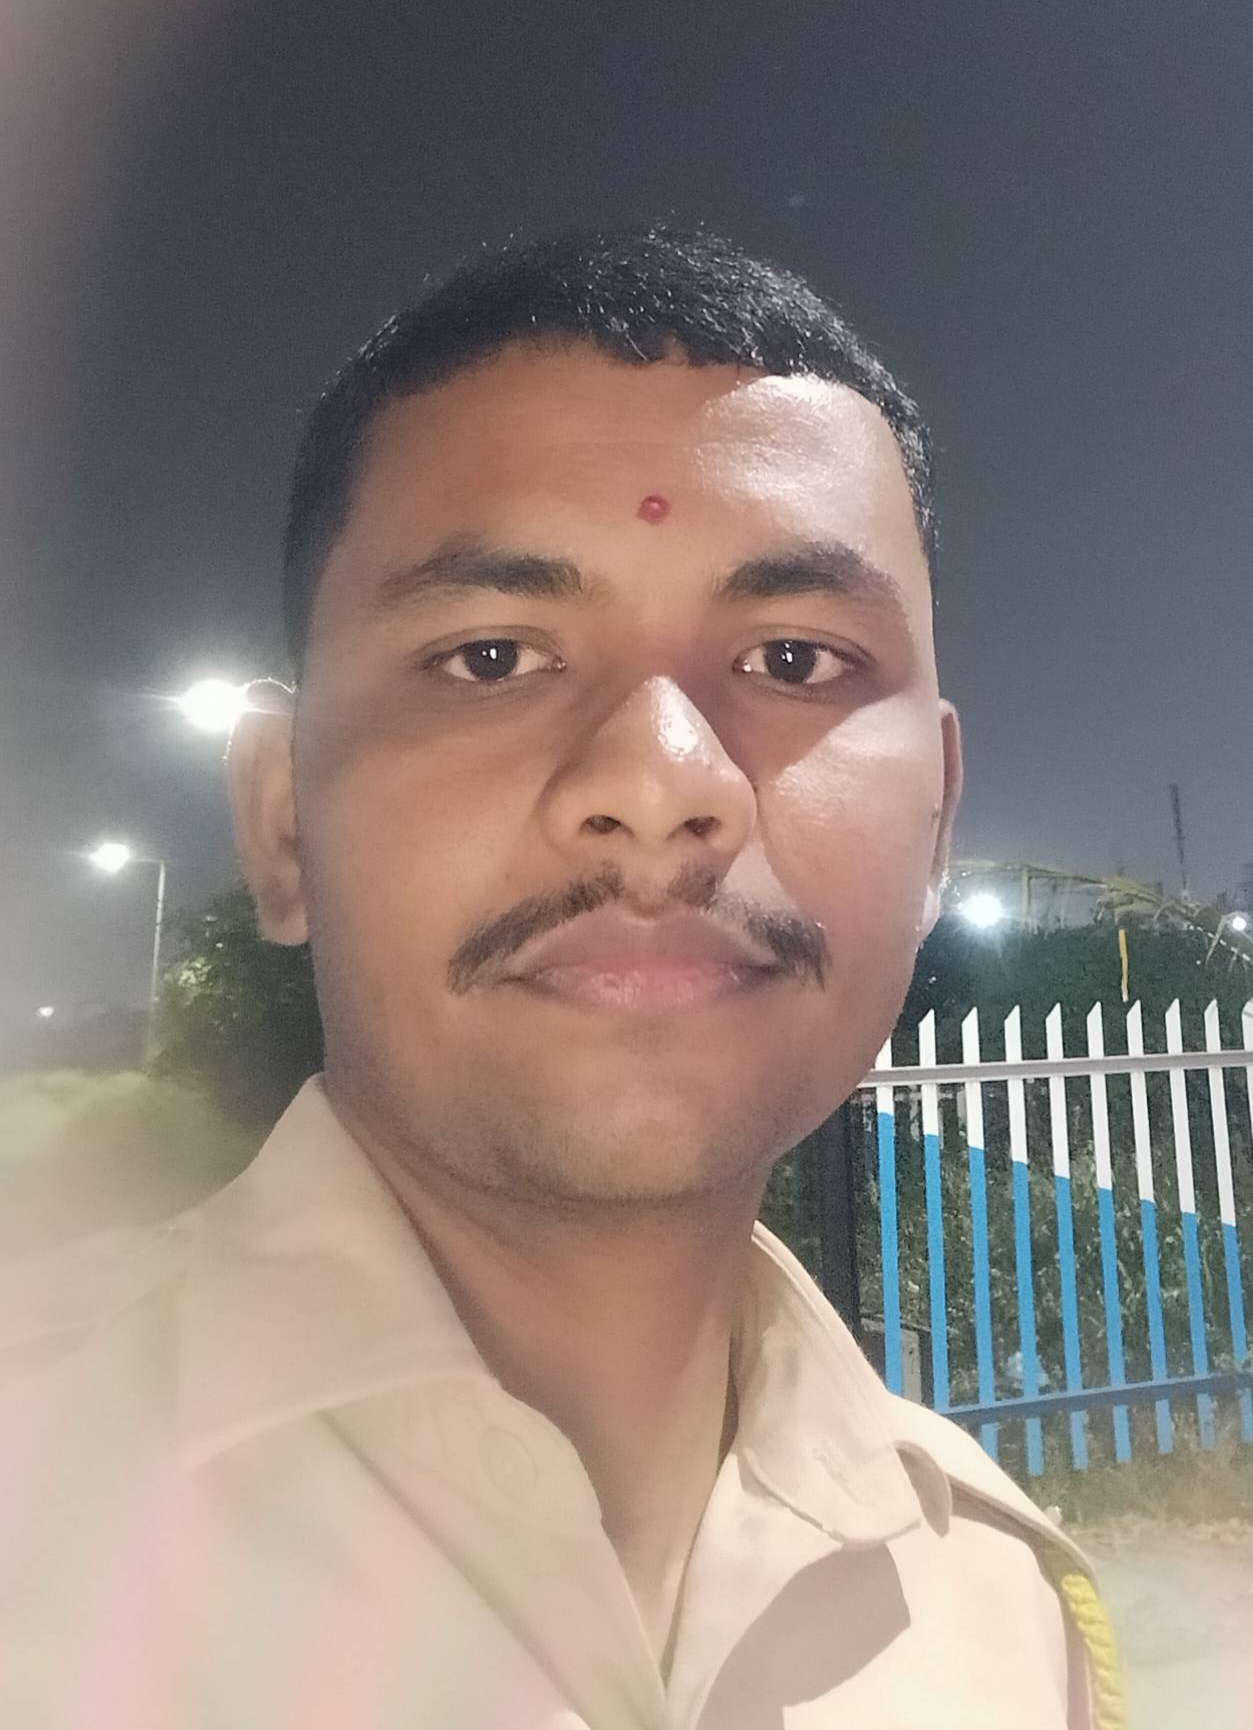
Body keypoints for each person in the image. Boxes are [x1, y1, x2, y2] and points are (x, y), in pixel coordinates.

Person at [0, 225, 1121, 1727]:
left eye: (793, 660)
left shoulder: (999, 1615)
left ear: (938, 822)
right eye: (492, 658)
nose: (660, 785)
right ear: (281, 822)